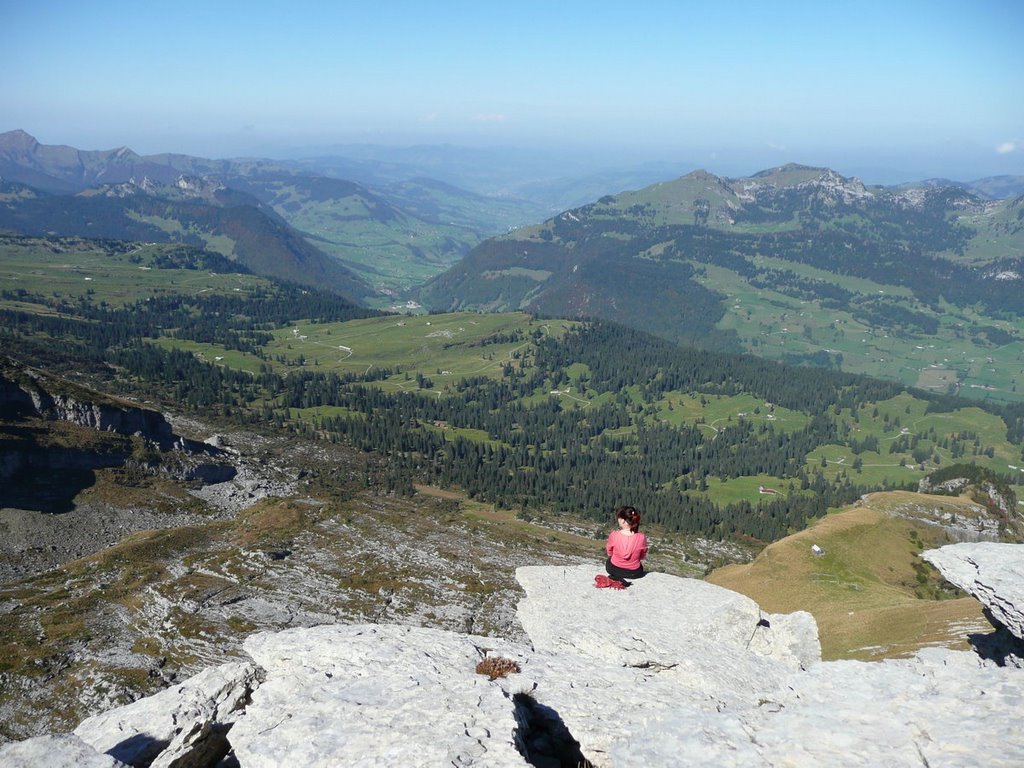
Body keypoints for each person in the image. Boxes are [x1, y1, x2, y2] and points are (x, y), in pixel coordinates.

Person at [605, 505, 648, 583]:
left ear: (623, 520)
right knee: (639, 566)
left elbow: (609, 552)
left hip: (614, 569)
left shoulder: (614, 535)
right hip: (634, 573)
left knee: (609, 561)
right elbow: (642, 556)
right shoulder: (642, 537)